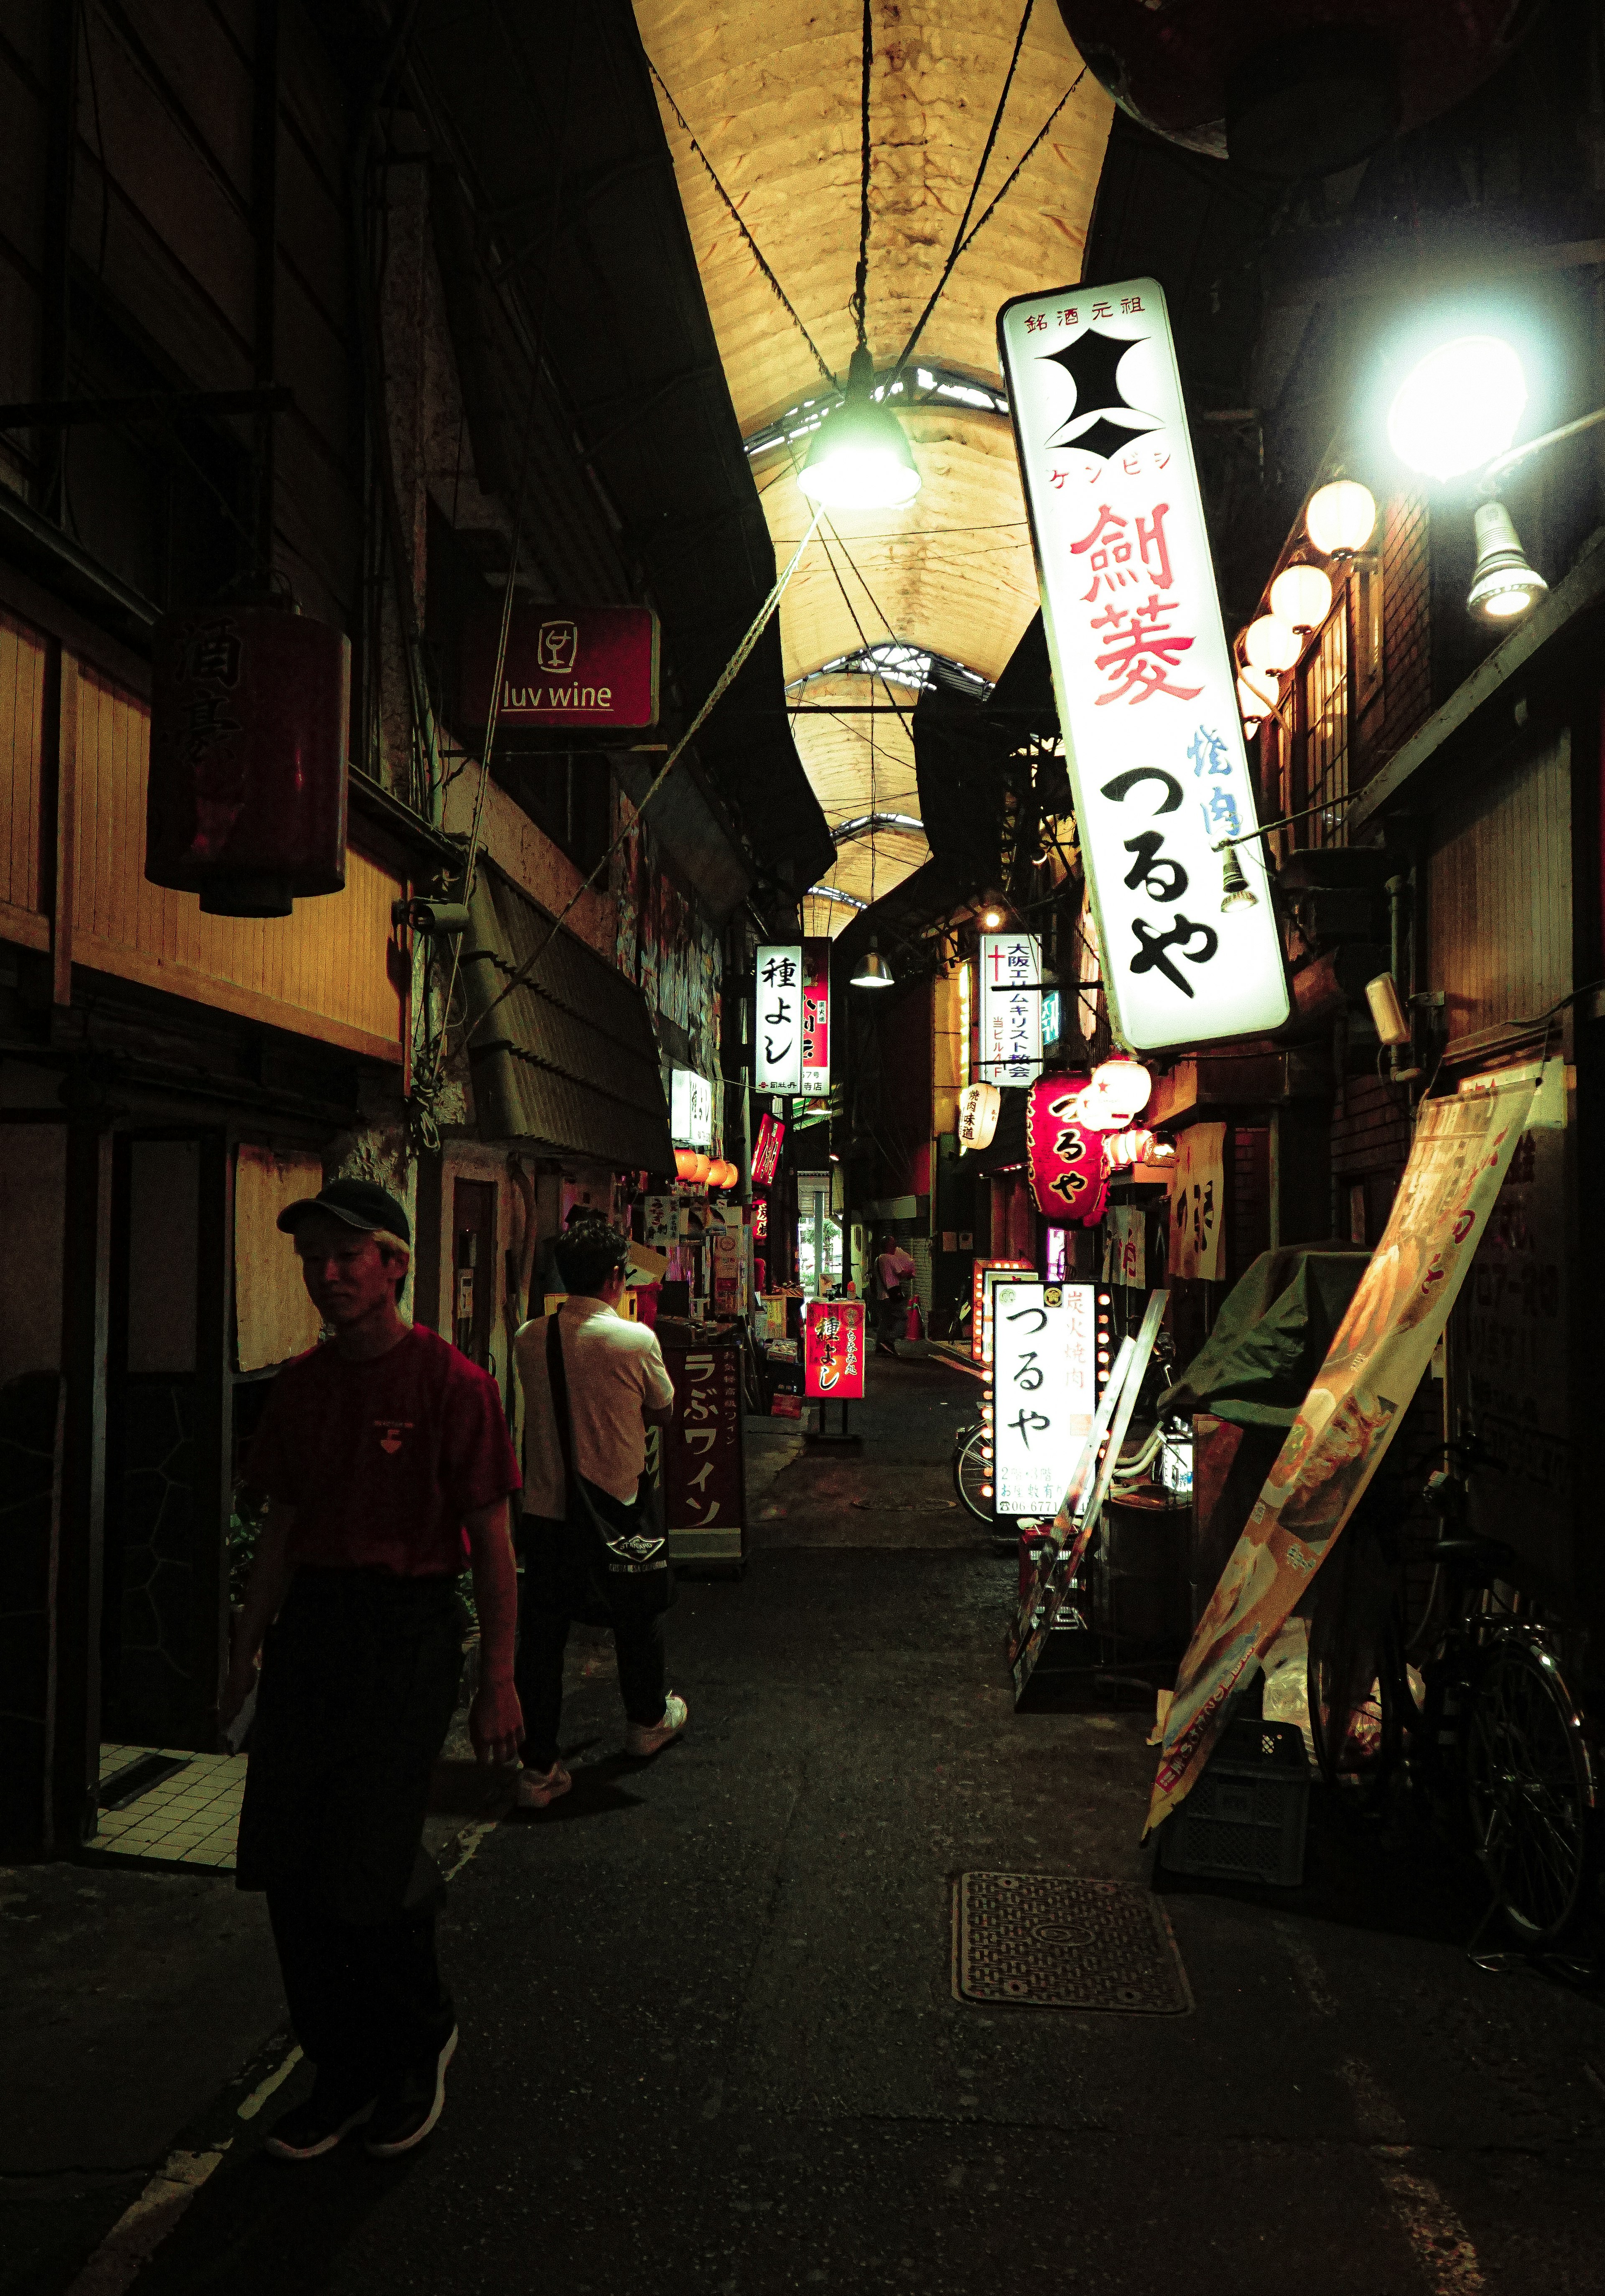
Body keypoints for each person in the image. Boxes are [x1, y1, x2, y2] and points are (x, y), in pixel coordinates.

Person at [219, 1178, 523, 2164]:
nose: (328, 1273)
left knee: (366, 1860)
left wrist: (499, 1678)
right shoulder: (304, 1385)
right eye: (314, 1257)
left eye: (349, 1254)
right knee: (285, 1859)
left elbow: (491, 1541)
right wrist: (244, 1648)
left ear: (393, 1263)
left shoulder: (451, 1383)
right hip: (315, 1628)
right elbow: (280, 1527)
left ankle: (415, 2034)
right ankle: (337, 2068)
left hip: (406, 1635)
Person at [513, 1221, 685, 1809]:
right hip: (617, 1506)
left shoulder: (528, 1338)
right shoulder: (635, 1341)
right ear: (616, 1276)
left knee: (542, 1637)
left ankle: (539, 1768)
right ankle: (645, 1721)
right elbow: (664, 1411)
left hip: (545, 1510)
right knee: (638, 1612)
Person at [874, 1233, 916, 1357]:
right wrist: (911, 1270)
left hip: (881, 1296)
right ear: (889, 1246)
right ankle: (889, 1341)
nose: (895, 1247)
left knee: (885, 1321)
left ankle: (880, 1346)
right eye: (894, 1244)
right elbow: (901, 1274)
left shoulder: (878, 1260)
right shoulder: (890, 1258)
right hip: (891, 1296)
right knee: (902, 1319)